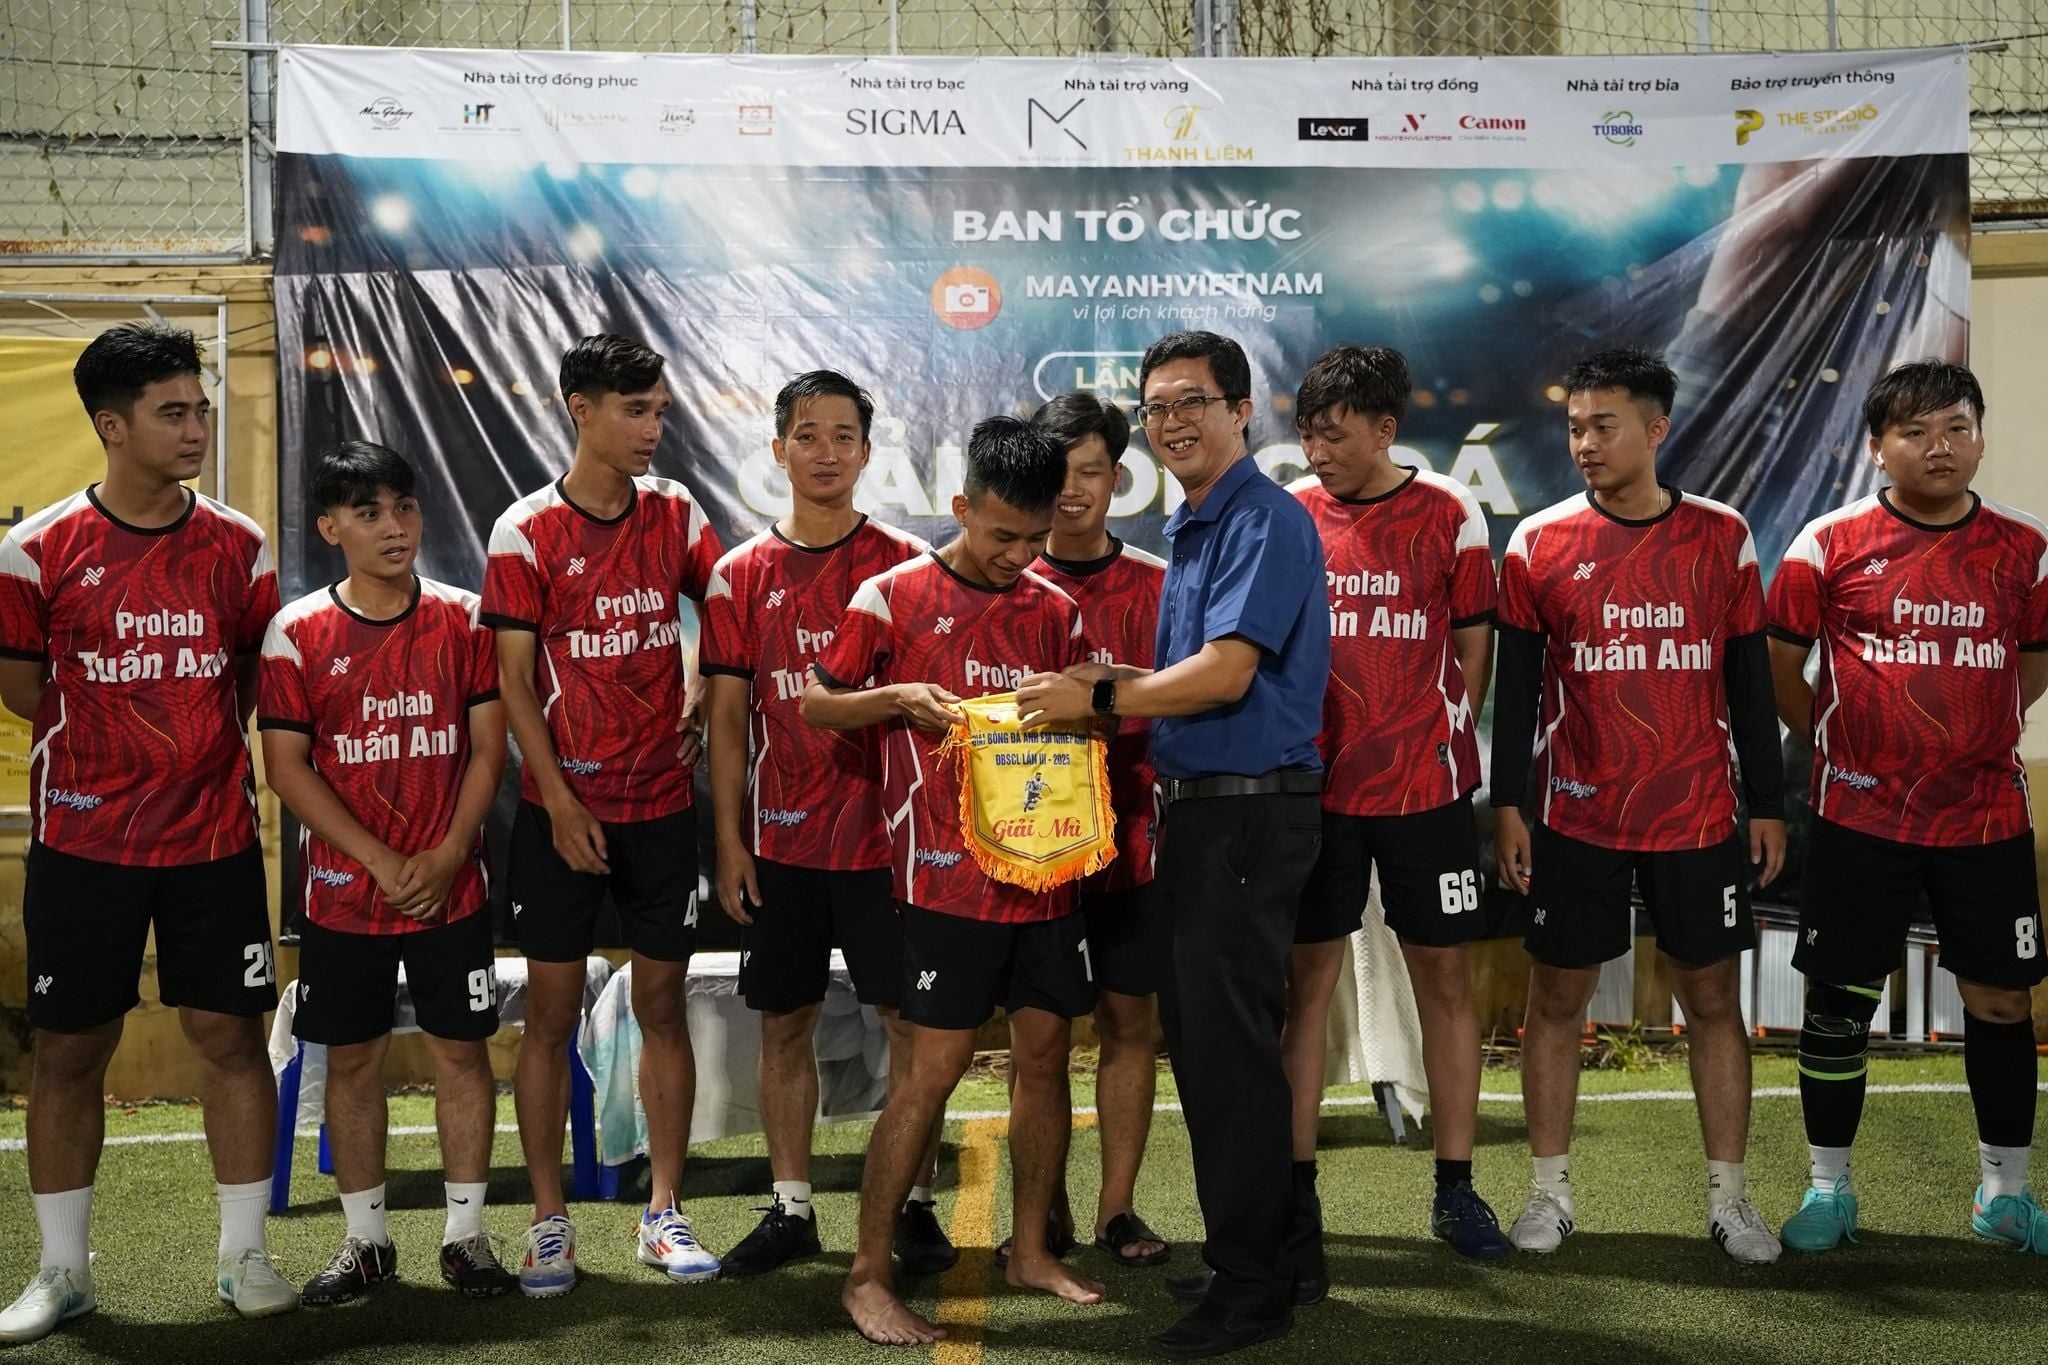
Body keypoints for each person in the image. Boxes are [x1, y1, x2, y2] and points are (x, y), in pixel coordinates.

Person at [1019, 330, 1330, 1359]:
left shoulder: (1261, 518)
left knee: (1226, 1054)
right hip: (1205, 813)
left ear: (1242, 410)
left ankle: (1250, 1289)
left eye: (1192, 400)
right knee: (1213, 1048)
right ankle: (1272, 1258)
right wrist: (1108, 682)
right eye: (1156, 408)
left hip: (1245, 812)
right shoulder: (1198, 524)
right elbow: (1180, 679)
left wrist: (1103, 695)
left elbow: (1226, 674)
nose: (1172, 422)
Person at [0, 324, 295, 1344]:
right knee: (69, 1049)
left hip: (213, 842)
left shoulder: (240, 545)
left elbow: (248, 677)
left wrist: (190, 754)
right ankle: (63, 1272)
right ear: (111, 426)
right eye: (173, 413)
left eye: (201, 409)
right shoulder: (35, 551)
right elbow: (24, 688)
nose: (196, 428)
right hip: (83, 846)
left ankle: (245, 1255)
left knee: (232, 1038)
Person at [803, 416, 1104, 1347]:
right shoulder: (892, 596)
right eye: (1002, 534)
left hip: (1047, 874)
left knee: (1046, 1056)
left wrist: (1084, 713)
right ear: (962, 505)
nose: (1020, 554)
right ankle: (867, 1274)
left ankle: (1031, 1249)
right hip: (942, 881)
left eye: (1035, 537)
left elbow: (1090, 723)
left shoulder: (1055, 608)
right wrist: (896, 697)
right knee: (930, 1073)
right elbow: (815, 703)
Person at [1489, 346, 1786, 1265]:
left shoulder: (1723, 535)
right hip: (1576, 812)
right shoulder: (1537, 542)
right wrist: (1510, 804)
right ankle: (1548, 1193)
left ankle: (1731, 1199)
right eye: (1574, 426)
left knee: (1712, 998)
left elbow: (1749, 681)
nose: (1584, 442)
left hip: (1697, 812)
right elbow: (1517, 690)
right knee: (1557, 997)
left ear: (1657, 429)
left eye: (1603, 425)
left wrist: (1768, 803)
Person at [1765, 361, 2048, 1255]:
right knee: (1838, 1002)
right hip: (1860, 817)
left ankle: (2005, 1194)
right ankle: (1827, 1189)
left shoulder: (2026, 546)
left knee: (2001, 1001)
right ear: (1876, 446)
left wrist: (1978, 731)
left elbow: (2032, 659)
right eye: (1917, 431)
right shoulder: (1827, 542)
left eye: (1958, 427)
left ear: (1980, 437)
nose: (1940, 446)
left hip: (1985, 817)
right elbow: (1780, 664)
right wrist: (1842, 743)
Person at [481, 334, 725, 1294]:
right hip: (561, 817)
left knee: (662, 1005)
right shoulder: (525, 530)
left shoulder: (676, 510)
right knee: (548, 1017)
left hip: (662, 808)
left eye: (659, 410)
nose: (652, 428)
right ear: (579, 409)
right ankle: (550, 1221)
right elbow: (511, 682)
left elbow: (725, 612)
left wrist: (701, 679)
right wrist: (559, 802)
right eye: (634, 410)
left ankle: (663, 1210)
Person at [700, 371, 948, 1278]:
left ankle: (915, 1203)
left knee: (909, 1024)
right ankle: (791, 1206)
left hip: (888, 844)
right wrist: (731, 839)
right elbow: (729, 718)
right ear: (778, 450)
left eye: (844, 436)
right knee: (784, 1023)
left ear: (868, 452)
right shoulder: (738, 574)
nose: (826, 452)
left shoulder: (906, 567)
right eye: (808, 435)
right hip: (782, 842)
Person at [258, 441, 516, 1304]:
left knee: (462, 1053)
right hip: (344, 895)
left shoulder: (465, 618)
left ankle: (467, 1236)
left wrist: (446, 854)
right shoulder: (297, 631)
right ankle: (366, 1241)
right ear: (331, 526)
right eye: (368, 512)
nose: (393, 526)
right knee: (353, 1059)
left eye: (403, 506)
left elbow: (488, 750)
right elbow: (287, 766)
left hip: (453, 887)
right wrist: (377, 859)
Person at [1284, 345, 1509, 1263]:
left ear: (1385, 429)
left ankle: (1455, 1188)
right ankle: (1296, 1195)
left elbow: (1473, 647)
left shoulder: (1450, 511)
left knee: (1444, 983)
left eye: (1335, 435)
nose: (1318, 452)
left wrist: (1440, 742)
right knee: (1306, 986)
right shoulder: (1294, 512)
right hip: (1319, 790)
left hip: (1427, 791)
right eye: (1308, 434)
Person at [1027, 392, 1171, 1270]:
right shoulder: (1006, 577)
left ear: (1120, 476)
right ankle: (1043, 1210)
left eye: (1090, 471)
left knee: (1128, 1020)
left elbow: (1191, 692)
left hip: (1134, 843)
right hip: (1033, 850)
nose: (1073, 491)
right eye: (1058, 473)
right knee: (1040, 1034)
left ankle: (1118, 1208)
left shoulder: (1160, 582)